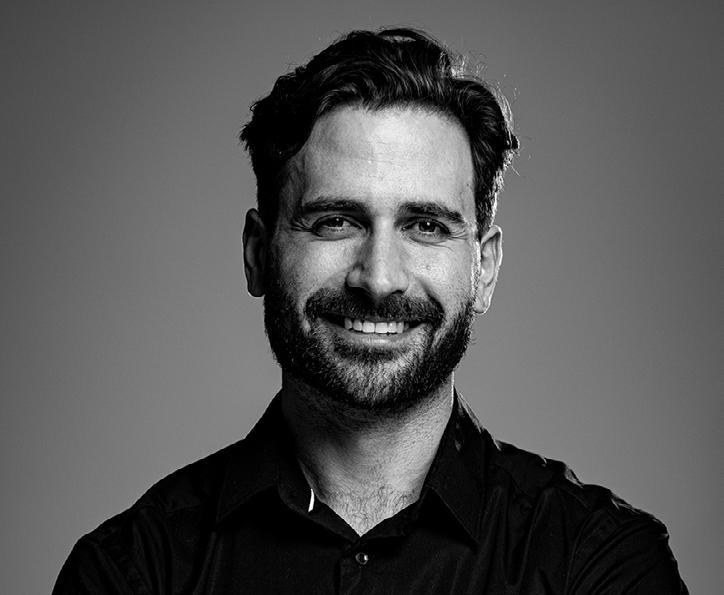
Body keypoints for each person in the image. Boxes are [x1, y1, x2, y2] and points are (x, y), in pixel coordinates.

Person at [53, 28, 687, 593]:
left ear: (484, 268)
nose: (379, 278)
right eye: (336, 221)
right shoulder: (133, 572)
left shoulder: (596, 566)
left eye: (426, 226)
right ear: (258, 254)